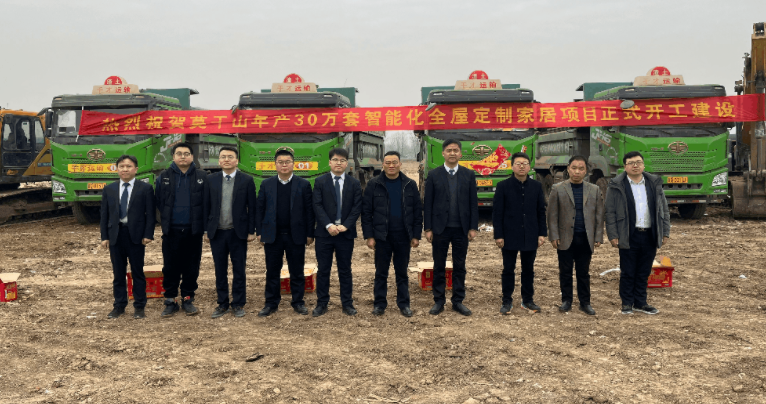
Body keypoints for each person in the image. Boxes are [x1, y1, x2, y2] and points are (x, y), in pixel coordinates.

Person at [605, 151, 670, 315]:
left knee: (644, 271)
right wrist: (613, 235)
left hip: (649, 233)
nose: (635, 165)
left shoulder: (653, 183)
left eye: (638, 162)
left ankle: (640, 303)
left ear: (643, 164)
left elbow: (663, 209)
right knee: (628, 271)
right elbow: (610, 212)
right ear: (625, 166)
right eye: (631, 163)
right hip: (628, 234)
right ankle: (627, 302)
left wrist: (665, 232)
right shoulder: (616, 185)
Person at [362, 151, 422, 317]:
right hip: (382, 237)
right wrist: (369, 236)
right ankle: (379, 304)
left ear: (400, 164)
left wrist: (416, 235)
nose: (391, 165)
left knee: (402, 273)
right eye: (388, 162)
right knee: (381, 273)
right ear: (383, 164)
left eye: (394, 162)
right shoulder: (374, 184)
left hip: (403, 236)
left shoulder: (409, 184)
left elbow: (417, 212)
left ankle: (404, 304)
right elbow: (366, 212)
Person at [256, 149, 315, 317]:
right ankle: (271, 303)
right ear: (275, 165)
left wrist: (310, 234)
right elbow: (259, 209)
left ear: (293, 164)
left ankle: (298, 302)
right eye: (280, 162)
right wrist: (259, 232)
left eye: (287, 162)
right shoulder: (266, 184)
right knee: (272, 271)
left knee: (297, 271)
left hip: (295, 235)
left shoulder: (303, 184)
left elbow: (309, 212)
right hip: (272, 235)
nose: (284, 165)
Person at [423, 139, 479, 316]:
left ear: (460, 153)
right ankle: (439, 301)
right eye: (449, 150)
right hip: (440, 229)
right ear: (443, 153)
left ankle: (458, 301)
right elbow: (428, 203)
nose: (452, 153)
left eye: (455, 150)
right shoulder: (434, 175)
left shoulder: (468, 175)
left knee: (460, 266)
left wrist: (473, 227)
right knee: (439, 266)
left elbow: (473, 203)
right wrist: (428, 228)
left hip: (461, 228)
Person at [203, 146, 257, 318]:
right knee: (220, 269)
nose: (226, 159)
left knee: (239, 269)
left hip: (237, 232)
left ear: (236, 161)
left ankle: (238, 303)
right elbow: (206, 206)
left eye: (230, 157)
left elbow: (252, 207)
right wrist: (206, 229)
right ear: (219, 161)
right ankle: (222, 303)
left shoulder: (246, 180)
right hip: (217, 232)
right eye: (223, 157)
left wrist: (251, 230)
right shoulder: (211, 180)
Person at [155, 142, 207, 318]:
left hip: (193, 231)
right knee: (170, 267)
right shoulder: (164, 177)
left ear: (192, 157)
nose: (183, 157)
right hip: (171, 231)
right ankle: (170, 300)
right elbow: (159, 201)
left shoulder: (202, 176)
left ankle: (187, 299)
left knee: (191, 267)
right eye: (179, 154)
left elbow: (206, 203)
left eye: (186, 153)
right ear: (173, 157)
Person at [99, 155, 155, 319]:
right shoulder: (109, 189)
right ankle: (119, 305)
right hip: (116, 235)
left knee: (137, 272)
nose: (125, 169)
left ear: (136, 169)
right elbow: (104, 215)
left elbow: (151, 214)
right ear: (117, 169)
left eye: (128, 166)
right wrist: (104, 237)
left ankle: (139, 306)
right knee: (118, 273)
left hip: (136, 236)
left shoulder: (145, 188)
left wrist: (148, 234)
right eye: (122, 166)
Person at [547, 156, 604, 316]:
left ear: (586, 171)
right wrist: (554, 235)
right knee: (565, 271)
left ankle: (585, 302)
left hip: (585, 238)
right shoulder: (558, 189)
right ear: (568, 169)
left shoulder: (594, 190)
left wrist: (598, 236)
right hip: (565, 237)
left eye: (581, 168)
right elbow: (552, 215)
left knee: (583, 272)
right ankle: (566, 301)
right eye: (574, 168)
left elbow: (599, 215)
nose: (577, 171)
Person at [492, 152, 547, 314]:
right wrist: (498, 235)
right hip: (509, 234)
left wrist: (542, 233)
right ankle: (507, 300)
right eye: (518, 163)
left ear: (529, 167)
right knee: (508, 269)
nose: (521, 166)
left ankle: (527, 300)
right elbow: (497, 213)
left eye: (525, 163)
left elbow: (540, 211)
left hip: (530, 233)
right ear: (512, 166)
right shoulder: (503, 186)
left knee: (528, 269)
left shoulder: (536, 186)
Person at [312, 148, 362, 317]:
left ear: (346, 163)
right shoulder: (320, 182)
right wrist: (328, 225)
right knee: (323, 270)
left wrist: (346, 225)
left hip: (345, 234)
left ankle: (347, 303)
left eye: (342, 160)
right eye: (335, 160)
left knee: (345, 270)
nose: (338, 163)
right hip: (324, 234)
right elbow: (317, 205)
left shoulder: (354, 183)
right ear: (329, 162)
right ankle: (322, 303)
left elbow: (357, 207)